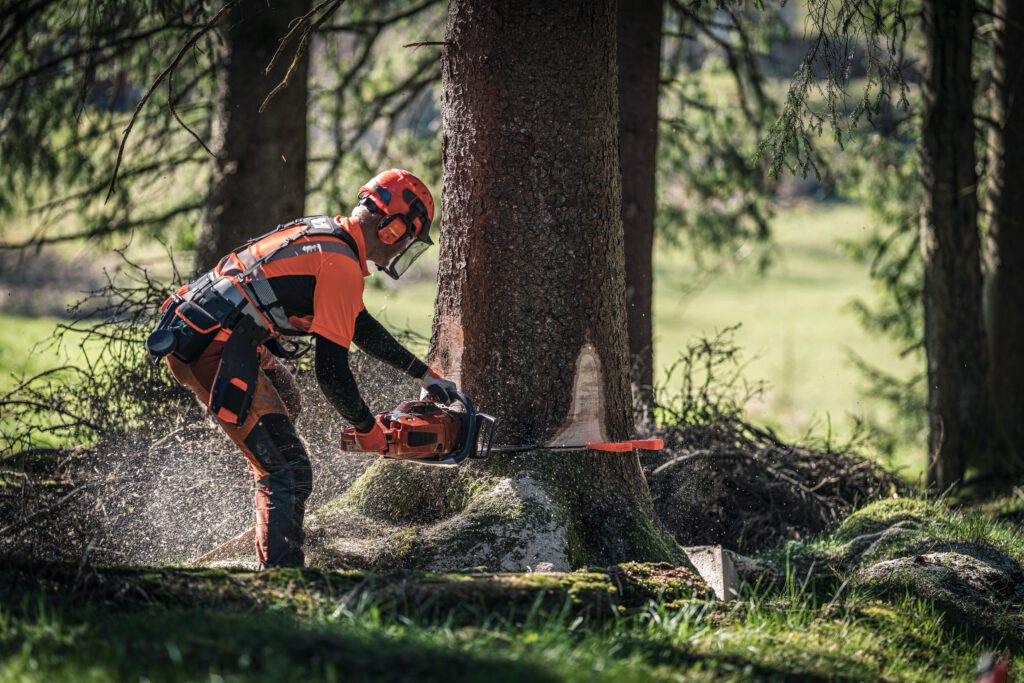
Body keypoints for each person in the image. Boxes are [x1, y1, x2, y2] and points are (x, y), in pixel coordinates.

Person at [147, 169, 456, 568]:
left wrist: (423, 374)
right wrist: (368, 431)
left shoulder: (330, 236)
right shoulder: (340, 266)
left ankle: (273, 512)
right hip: (214, 348)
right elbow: (331, 373)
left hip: (211, 331)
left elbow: (359, 324)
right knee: (289, 469)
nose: (400, 252)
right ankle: (283, 578)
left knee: (287, 403)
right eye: (407, 241)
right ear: (393, 229)